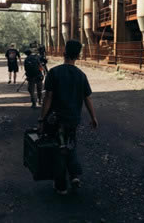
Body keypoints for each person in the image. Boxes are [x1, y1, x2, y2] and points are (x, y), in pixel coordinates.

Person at [38, 39, 98, 195]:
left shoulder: (54, 72)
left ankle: (61, 186)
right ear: (77, 56)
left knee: (59, 150)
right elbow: (87, 98)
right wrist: (93, 118)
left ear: (64, 54)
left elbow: (48, 98)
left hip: (56, 120)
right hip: (73, 119)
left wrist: (42, 118)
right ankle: (75, 176)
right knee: (70, 144)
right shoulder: (81, 75)